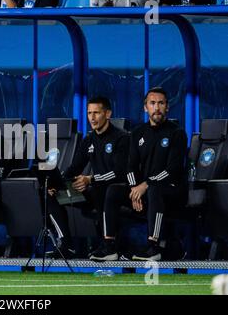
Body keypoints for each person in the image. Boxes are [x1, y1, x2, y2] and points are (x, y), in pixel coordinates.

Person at [91, 87, 188, 261]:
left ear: (167, 107)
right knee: (113, 190)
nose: (156, 107)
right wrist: (135, 188)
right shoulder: (137, 133)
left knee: (154, 190)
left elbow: (173, 169)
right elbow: (130, 167)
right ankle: (110, 247)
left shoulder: (177, 133)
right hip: (143, 190)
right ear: (145, 107)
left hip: (171, 190)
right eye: (152, 103)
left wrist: (146, 184)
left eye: (161, 103)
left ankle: (153, 247)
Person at [47, 97, 130, 258]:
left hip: (117, 191)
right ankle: (65, 244)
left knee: (103, 190)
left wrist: (90, 179)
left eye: (96, 113)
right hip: (93, 189)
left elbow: (119, 173)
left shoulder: (122, 138)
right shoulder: (89, 139)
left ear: (107, 113)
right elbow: (74, 168)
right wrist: (57, 184)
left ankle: (109, 246)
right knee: (50, 195)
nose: (92, 118)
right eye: (89, 113)